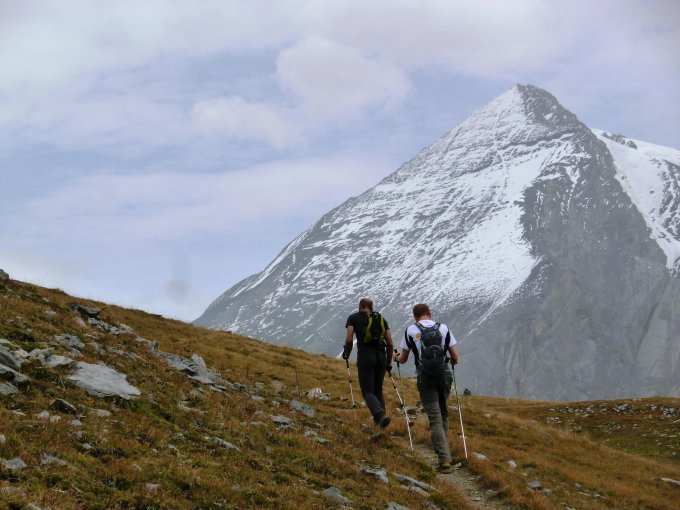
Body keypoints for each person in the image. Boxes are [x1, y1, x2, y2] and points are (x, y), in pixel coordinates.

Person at [393, 303, 460, 473]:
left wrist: (395, 357)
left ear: (414, 316)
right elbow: (455, 356)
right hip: (444, 374)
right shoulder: (443, 328)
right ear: (429, 314)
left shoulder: (411, 330)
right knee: (444, 413)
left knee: (435, 418)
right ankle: (446, 455)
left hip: (425, 376)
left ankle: (444, 460)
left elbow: (403, 359)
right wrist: (451, 362)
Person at [343, 298, 394, 428]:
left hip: (365, 357)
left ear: (360, 306)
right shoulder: (380, 318)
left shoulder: (353, 318)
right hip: (381, 357)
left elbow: (349, 339)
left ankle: (380, 415)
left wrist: (346, 354)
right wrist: (388, 363)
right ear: (371, 307)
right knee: (378, 390)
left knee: (367, 392)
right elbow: (390, 343)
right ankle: (381, 424)